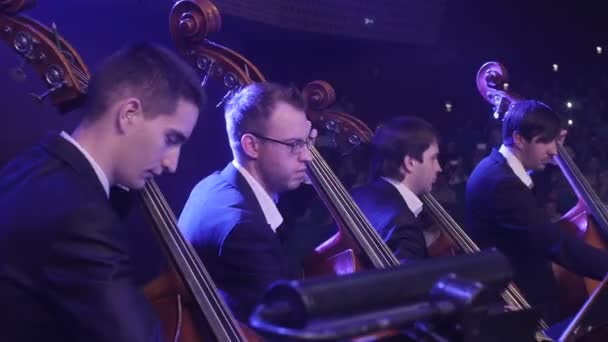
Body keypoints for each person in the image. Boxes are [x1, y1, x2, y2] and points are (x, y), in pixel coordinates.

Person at [0, 42, 204, 341]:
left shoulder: (30, 165)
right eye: (171, 138)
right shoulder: (81, 216)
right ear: (129, 114)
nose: (172, 163)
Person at [179, 82, 315, 321]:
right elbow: (285, 327)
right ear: (252, 146)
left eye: (307, 142)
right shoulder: (245, 230)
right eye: (295, 144)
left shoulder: (212, 185)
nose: (307, 156)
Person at [465, 99, 608, 326]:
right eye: (544, 142)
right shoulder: (502, 184)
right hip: (522, 302)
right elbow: (556, 244)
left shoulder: (494, 169)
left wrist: (546, 153)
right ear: (519, 139)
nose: (554, 150)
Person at [351, 116, 442, 261]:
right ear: (410, 162)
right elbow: (409, 284)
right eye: (433, 158)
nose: (439, 168)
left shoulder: (358, 195)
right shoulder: (403, 225)